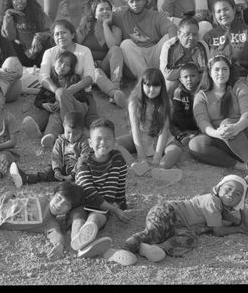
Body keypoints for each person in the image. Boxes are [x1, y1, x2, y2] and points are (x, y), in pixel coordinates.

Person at [119, 174, 248, 262]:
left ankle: (156, 249)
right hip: (168, 211)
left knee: (190, 238)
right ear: (218, 189)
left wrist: (241, 206)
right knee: (154, 233)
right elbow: (218, 231)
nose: (232, 194)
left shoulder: (224, 209)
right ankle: (125, 249)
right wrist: (239, 229)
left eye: (238, 194)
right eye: (228, 189)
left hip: (180, 225)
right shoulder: (212, 202)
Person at [26, 22, 102, 149]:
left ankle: (71, 133)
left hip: (80, 96)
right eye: (56, 34)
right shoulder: (50, 53)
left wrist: (67, 92)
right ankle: (51, 135)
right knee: (54, 114)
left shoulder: (84, 51)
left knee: (92, 120)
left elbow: (90, 77)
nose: (60, 36)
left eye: (64, 32)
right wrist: (57, 93)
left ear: (73, 35)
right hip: (54, 96)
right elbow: (43, 76)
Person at [188, 54, 248, 174]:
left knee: (226, 123)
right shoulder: (201, 95)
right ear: (210, 72)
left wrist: (237, 127)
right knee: (195, 144)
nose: (221, 73)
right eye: (217, 69)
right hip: (222, 137)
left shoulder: (240, 87)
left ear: (230, 71)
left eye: (225, 69)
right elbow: (202, 121)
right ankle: (240, 166)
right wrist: (216, 133)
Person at [71, 118, 130, 252]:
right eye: (98, 139)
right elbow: (89, 192)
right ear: (90, 143)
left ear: (114, 141)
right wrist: (115, 210)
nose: (103, 142)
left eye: (108, 138)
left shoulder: (118, 159)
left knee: (95, 219)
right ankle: (77, 243)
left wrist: (121, 205)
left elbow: (120, 185)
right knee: (78, 219)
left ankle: (86, 241)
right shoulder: (83, 162)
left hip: (102, 207)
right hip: (81, 202)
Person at [115, 68, 184, 181]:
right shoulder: (134, 102)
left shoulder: (167, 103)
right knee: (115, 143)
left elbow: (164, 130)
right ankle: (134, 166)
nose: (151, 90)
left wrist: (158, 154)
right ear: (141, 85)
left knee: (175, 150)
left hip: (161, 138)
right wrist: (140, 154)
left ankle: (161, 169)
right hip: (141, 137)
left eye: (156, 86)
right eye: (148, 85)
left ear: (162, 87)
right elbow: (135, 128)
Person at [111, 0, 177, 81]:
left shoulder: (155, 15)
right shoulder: (121, 15)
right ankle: (146, 80)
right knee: (126, 44)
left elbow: (171, 27)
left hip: (155, 54)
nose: (135, 4)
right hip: (135, 57)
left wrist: (174, 49)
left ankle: (165, 73)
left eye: (138, 0)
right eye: (131, 1)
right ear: (127, 4)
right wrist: (86, 20)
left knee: (169, 38)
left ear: (145, 0)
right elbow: (104, 14)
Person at [10, 110, 91, 186]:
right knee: (48, 172)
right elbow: (56, 156)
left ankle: (74, 182)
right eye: (68, 132)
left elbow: (83, 160)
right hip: (63, 167)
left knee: (85, 171)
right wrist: (57, 170)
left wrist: (72, 175)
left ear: (82, 131)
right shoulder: (60, 140)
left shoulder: (84, 142)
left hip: (77, 170)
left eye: (76, 134)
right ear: (64, 127)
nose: (71, 136)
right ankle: (26, 178)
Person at [75, 0, 125, 106]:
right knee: (96, 71)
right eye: (101, 9)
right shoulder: (87, 26)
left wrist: (106, 25)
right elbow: (75, 46)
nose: (105, 12)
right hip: (88, 67)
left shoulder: (115, 29)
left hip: (105, 66)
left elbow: (112, 46)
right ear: (94, 13)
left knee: (116, 49)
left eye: (108, 9)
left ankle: (116, 85)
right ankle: (114, 93)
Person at [204, 0, 248, 80]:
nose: (223, 14)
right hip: (218, 80)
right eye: (218, 11)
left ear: (233, 10)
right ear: (214, 15)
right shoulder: (209, 36)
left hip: (244, 78)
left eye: (226, 9)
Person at [1, 0, 52, 68]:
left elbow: (51, 31)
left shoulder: (37, 13)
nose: (20, 1)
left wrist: (38, 36)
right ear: (10, 1)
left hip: (40, 53)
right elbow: (9, 37)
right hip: (22, 56)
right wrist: (8, 15)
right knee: (7, 43)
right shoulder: (9, 17)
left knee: (51, 41)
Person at [159, 16, 211, 93]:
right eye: (187, 34)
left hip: (194, 78)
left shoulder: (202, 45)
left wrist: (188, 73)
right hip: (177, 79)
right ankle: (169, 104)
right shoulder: (169, 46)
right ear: (178, 34)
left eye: (195, 34)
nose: (191, 38)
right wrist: (191, 67)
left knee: (206, 82)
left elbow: (206, 71)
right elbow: (167, 74)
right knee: (170, 84)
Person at [170, 62, 204, 148]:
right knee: (172, 125)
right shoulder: (178, 92)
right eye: (185, 77)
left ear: (199, 77)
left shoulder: (203, 91)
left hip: (198, 122)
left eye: (193, 76)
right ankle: (182, 136)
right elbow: (178, 114)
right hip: (182, 123)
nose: (189, 79)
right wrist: (185, 129)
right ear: (181, 80)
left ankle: (196, 134)